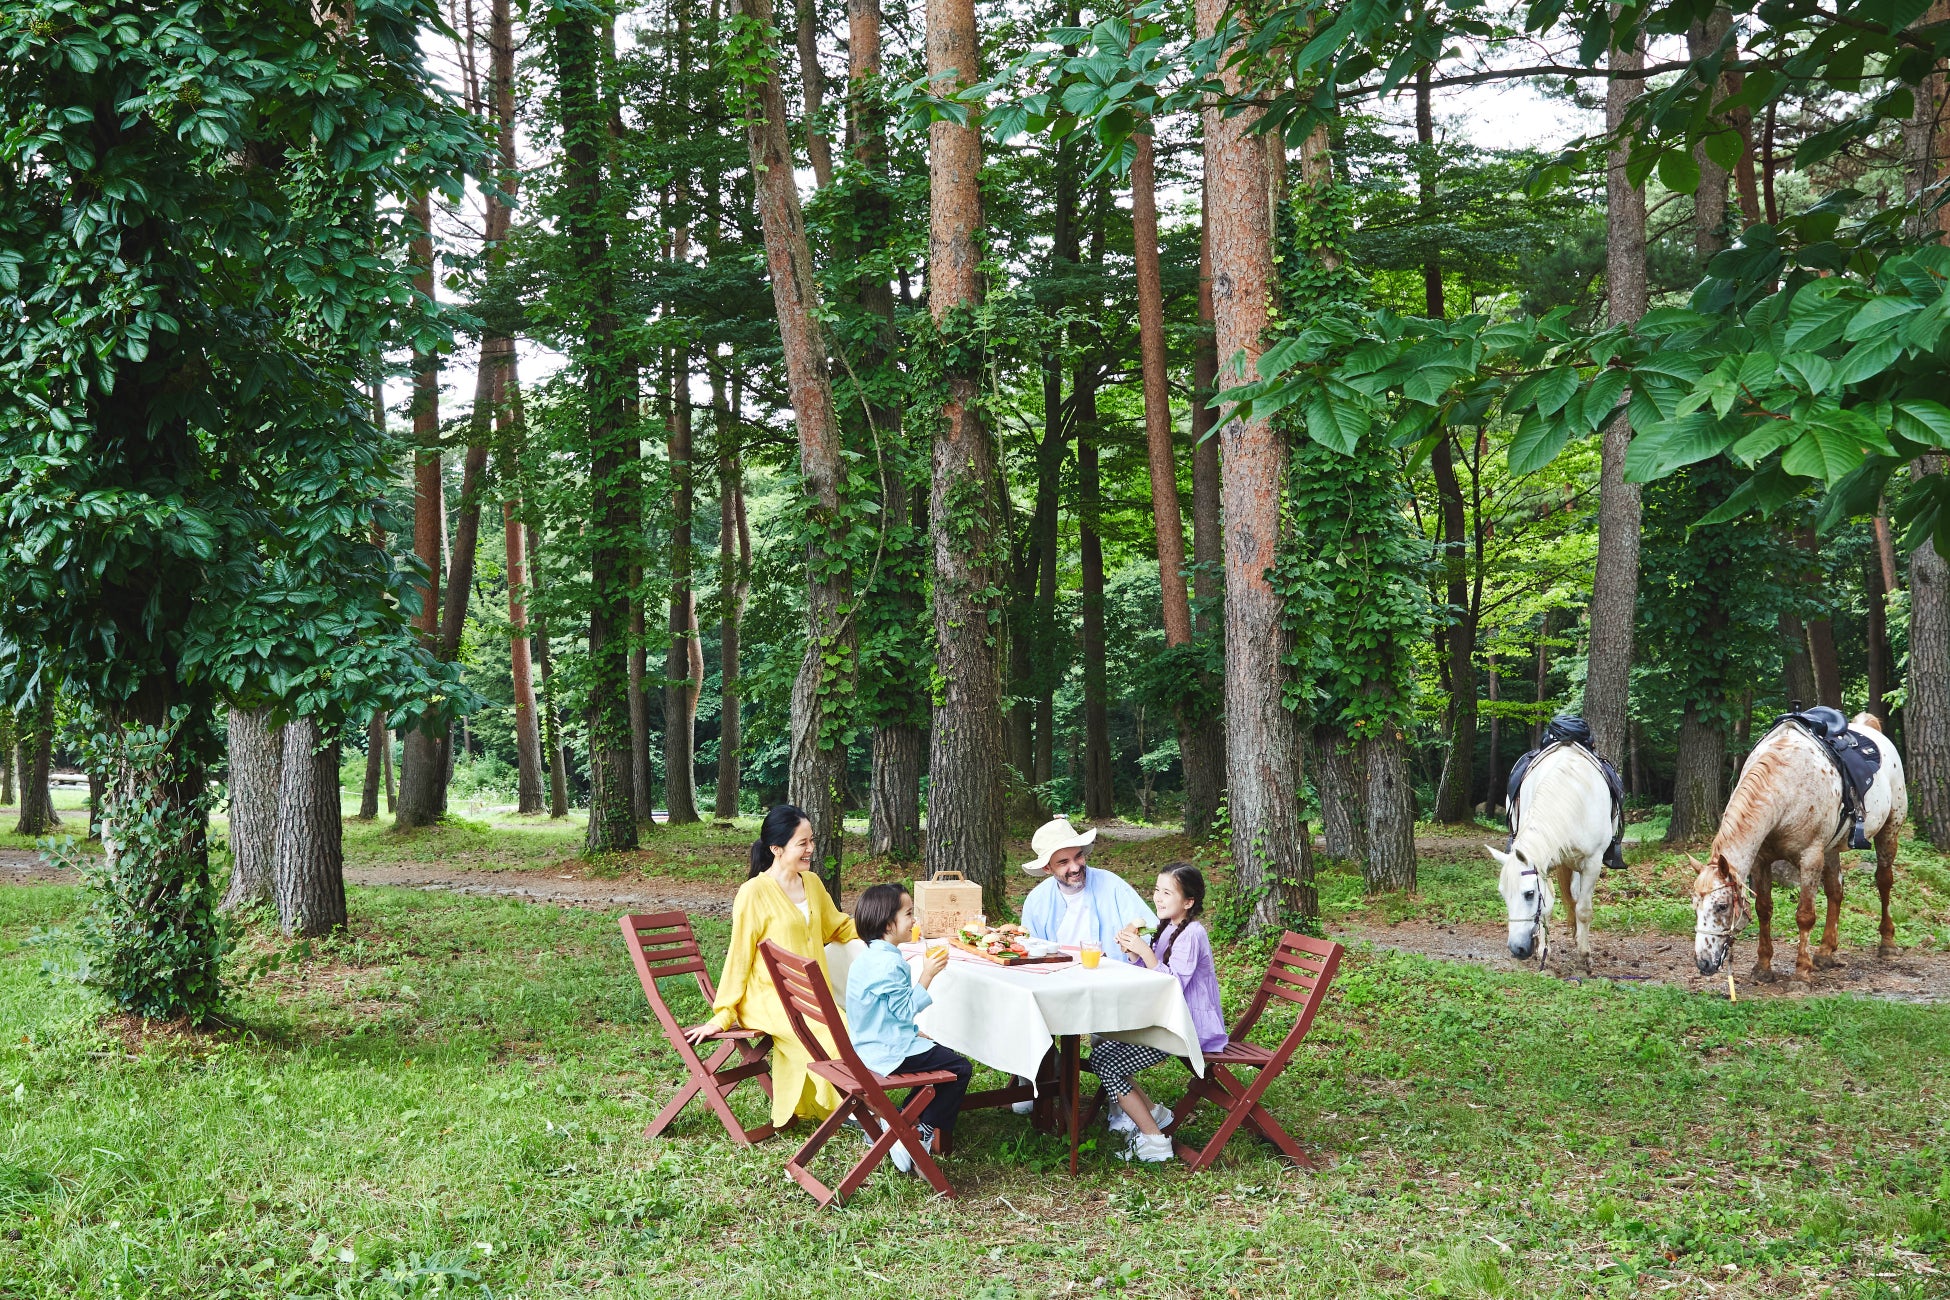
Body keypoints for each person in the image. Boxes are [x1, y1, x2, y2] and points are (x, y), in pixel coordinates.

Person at [685, 805, 858, 1129]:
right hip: (767, 996)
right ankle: (853, 1110)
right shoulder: (753, 893)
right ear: (776, 849)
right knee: (826, 1032)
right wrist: (724, 1015)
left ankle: (846, 1103)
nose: (811, 849)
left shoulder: (813, 884)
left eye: (812, 840)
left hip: (809, 994)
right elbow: (739, 956)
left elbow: (838, 926)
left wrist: (884, 929)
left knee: (843, 1026)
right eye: (802, 843)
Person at [1096, 863, 1227, 1162]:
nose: (1158, 898)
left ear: (1188, 902)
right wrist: (1134, 952)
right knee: (1102, 1053)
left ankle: (1154, 1140)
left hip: (1185, 1028)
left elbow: (1173, 984)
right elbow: (1152, 975)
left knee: (1110, 1065)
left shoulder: (1193, 933)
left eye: (1167, 893)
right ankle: (1155, 1113)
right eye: (1156, 890)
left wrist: (1145, 952)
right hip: (1164, 1019)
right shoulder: (1166, 927)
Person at [844, 883, 972, 1173]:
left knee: (939, 1055)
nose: (915, 920)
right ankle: (919, 1133)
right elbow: (903, 1010)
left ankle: (899, 1118)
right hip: (888, 1052)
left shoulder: (866, 958)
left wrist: (913, 1031)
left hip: (867, 1045)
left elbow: (883, 1012)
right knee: (959, 1068)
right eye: (909, 914)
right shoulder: (892, 964)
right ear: (889, 924)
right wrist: (927, 975)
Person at [1019, 816, 1157, 962]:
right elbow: (1031, 950)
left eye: (1078, 856)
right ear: (1047, 868)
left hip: (1113, 978)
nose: (1075, 867)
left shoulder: (1112, 885)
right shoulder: (1037, 900)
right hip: (1059, 979)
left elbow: (1152, 932)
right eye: (1063, 862)